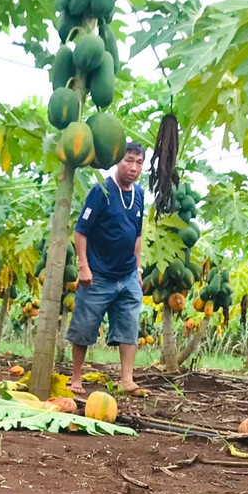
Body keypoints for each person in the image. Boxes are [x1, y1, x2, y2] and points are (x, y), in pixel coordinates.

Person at [66, 141, 148, 396]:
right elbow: (81, 231)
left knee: (129, 325)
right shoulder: (101, 191)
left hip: (127, 275)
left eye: (139, 162)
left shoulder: (140, 195)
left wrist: (137, 269)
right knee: (84, 326)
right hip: (98, 275)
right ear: (117, 161)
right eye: (128, 160)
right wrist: (83, 266)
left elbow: (136, 235)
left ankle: (126, 379)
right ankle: (76, 377)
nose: (133, 167)